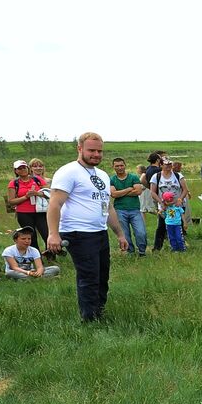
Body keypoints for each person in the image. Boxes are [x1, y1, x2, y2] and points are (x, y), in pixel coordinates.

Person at [47, 132, 130, 323]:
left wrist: (120, 234)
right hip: (78, 233)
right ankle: (90, 319)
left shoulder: (101, 175)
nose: (96, 154)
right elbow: (54, 204)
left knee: (102, 276)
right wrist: (53, 234)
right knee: (89, 277)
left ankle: (98, 311)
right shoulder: (68, 172)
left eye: (99, 151)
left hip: (99, 233)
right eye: (91, 150)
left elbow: (107, 206)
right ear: (80, 149)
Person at [107, 157, 147, 256]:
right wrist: (129, 189)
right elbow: (113, 194)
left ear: (125, 165)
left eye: (121, 165)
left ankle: (142, 251)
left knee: (141, 232)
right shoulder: (112, 179)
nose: (120, 168)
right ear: (113, 167)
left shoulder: (133, 177)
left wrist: (120, 192)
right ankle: (130, 252)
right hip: (120, 210)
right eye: (117, 166)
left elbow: (138, 191)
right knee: (125, 234)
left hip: (135, 209)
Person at [148, 161, 185, 252]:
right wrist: (161, 203)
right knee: (161, 227)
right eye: (166, 164)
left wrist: (180, 199)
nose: (168, 166)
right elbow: (152, 192)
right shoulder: (156, 176)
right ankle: (157, 248)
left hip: (177, 205)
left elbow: (185, 190)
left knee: (179, 226)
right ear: (161, 165)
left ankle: (180, 246)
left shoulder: (178, 175)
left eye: (170, 164)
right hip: (164, 206)